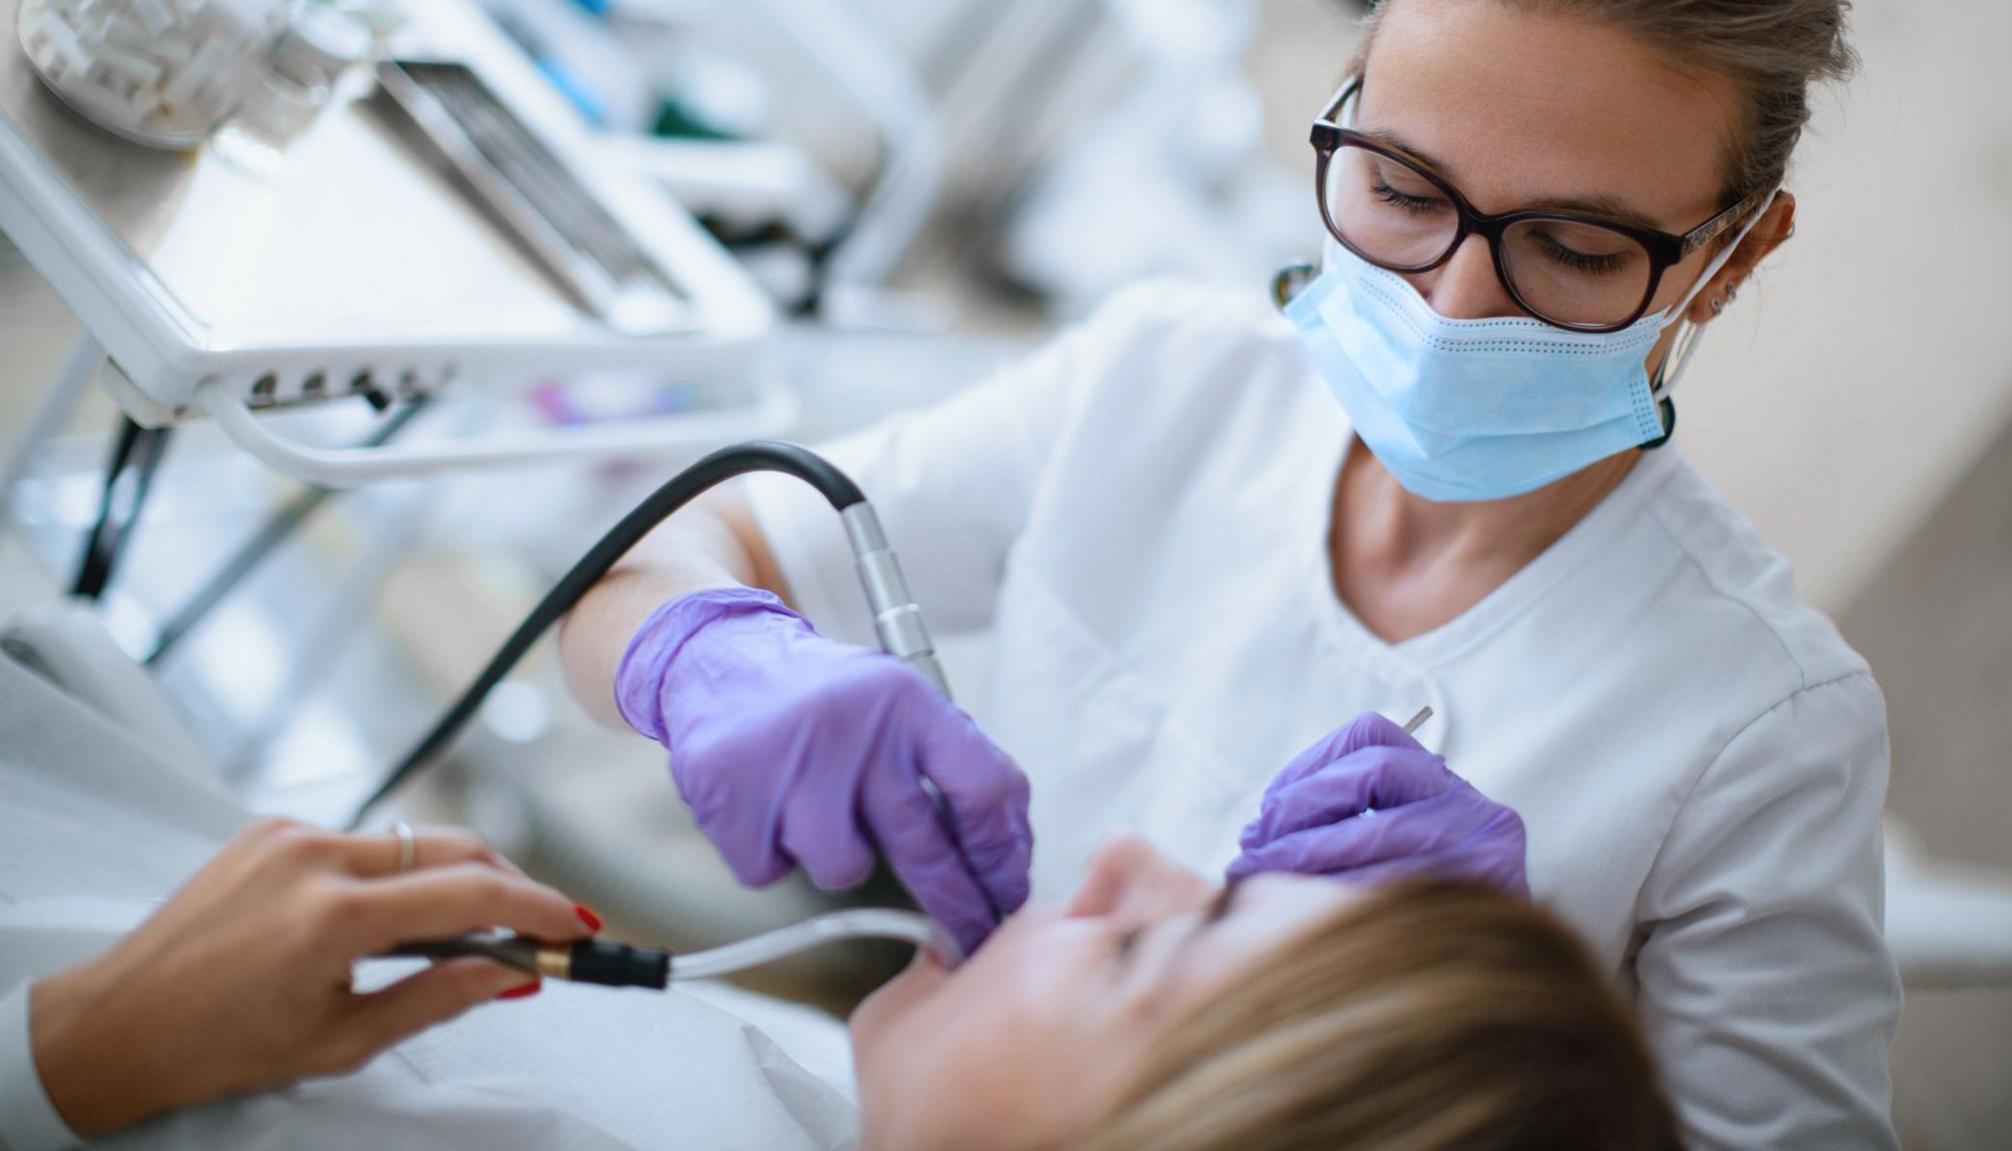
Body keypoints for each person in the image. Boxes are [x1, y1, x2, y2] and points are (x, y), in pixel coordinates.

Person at [558, 0, 1898, 1146]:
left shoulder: (1762, 733)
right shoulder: (1170, 383)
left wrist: (1477, 1035)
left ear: (1730, 258)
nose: (1450, 308)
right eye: (1402, 191)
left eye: (1577, 250)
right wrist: (700, 650)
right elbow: (682, 546)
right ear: (1343, 108)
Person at [0, 631, 1669, 1150]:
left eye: (1157, 948)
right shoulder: (826, 1096)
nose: (1124, 861)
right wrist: (690, 636)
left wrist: (76, 1053)